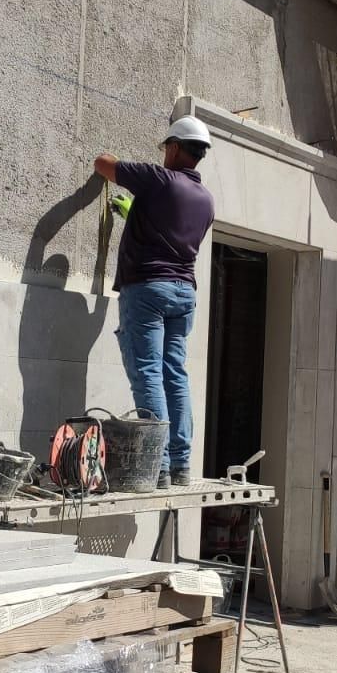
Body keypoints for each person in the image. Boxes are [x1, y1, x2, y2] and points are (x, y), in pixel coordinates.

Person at [93, 115, 216, 488]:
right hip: (184, 292)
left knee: (148, 373)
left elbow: (103, 163)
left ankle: (157, 464)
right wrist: (137, 214)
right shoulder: (206, 200)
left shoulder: (160, 179)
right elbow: (171, 234)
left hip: (148, 289)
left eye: (166, 148)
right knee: (174, 374)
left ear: (175, 148)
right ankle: (180, 465)